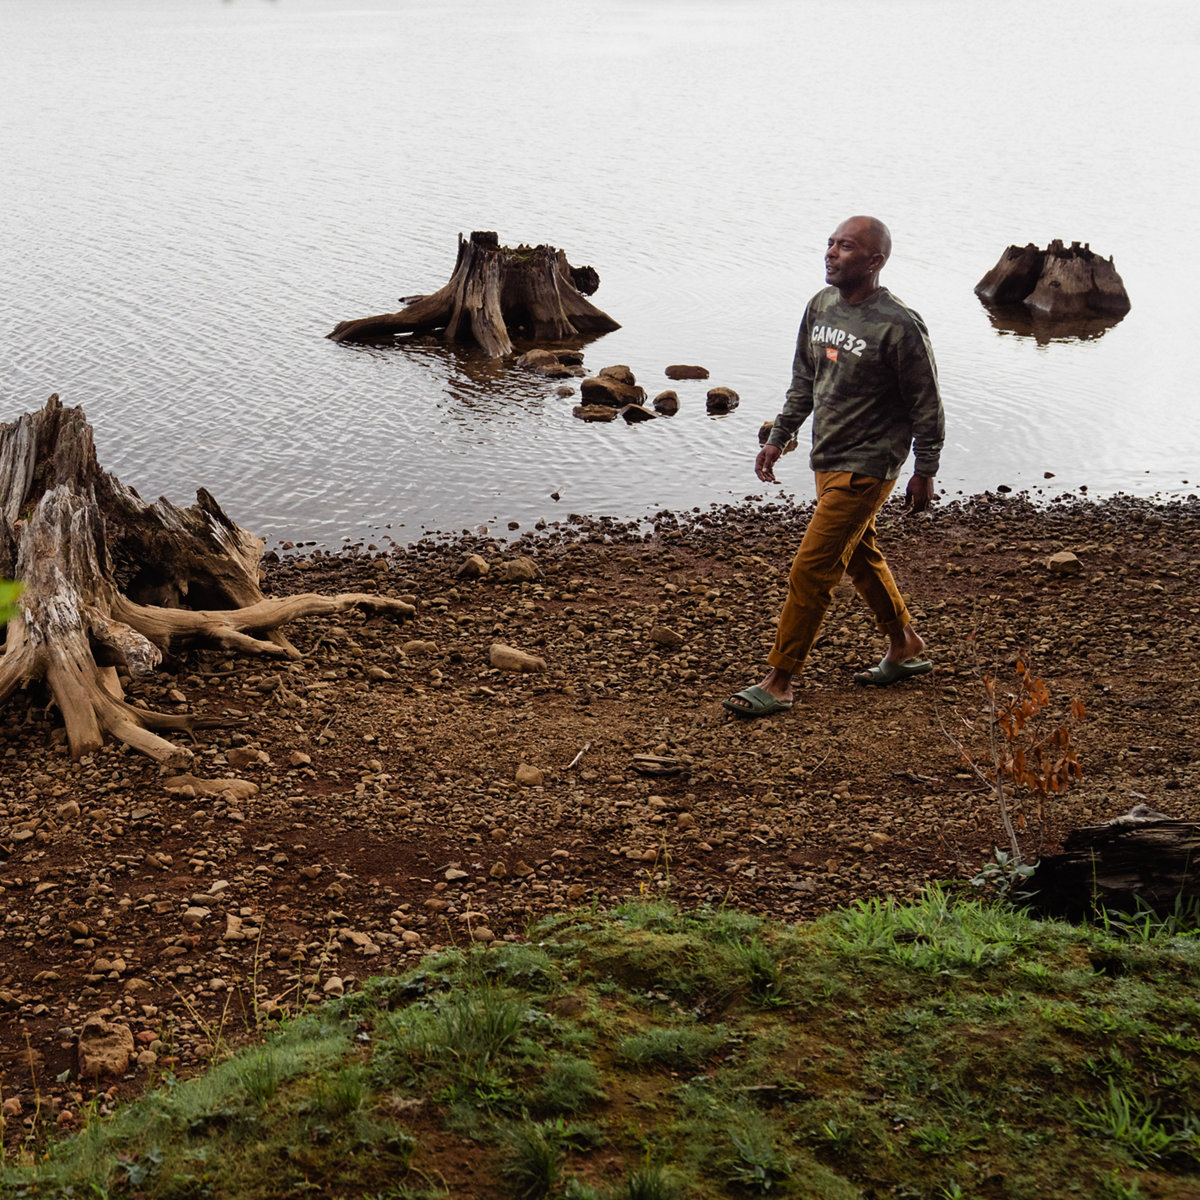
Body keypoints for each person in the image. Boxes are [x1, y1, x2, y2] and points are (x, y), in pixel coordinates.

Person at [724, 215, 945, 718]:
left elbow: (926, 403)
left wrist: (925, 468)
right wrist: (779, 438)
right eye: (830, 244)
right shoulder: (820, 307)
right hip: (827, 457)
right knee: (859, 554)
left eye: (845, 247)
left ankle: (780, 680)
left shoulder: (898, 324)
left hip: (871, 465)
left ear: (874, 261)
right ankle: (905, 644)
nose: (831, 253)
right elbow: (805, 380)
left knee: (813, 568)